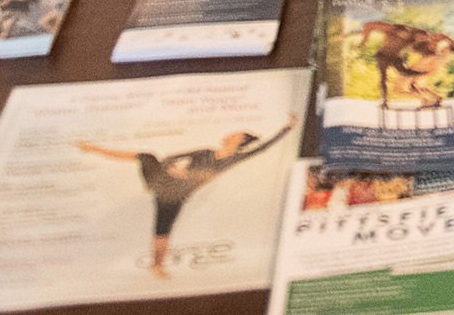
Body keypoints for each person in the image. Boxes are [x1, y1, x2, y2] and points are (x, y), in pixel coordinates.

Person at [77, 115, 295, 279]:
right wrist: (172, 168)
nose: (230, 134)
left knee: (162, 231)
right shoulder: (206, 152)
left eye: (236, 134)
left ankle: (157, 265)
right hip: (164, 183)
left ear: (241, 141)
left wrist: (286, 128)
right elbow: (173, 157)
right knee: (147, 156)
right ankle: (95, 149)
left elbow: (263, 148)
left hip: (176, 196)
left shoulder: (234, 159)